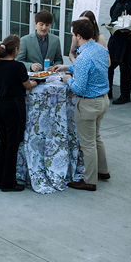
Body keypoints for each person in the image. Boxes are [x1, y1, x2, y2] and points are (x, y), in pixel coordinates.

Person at [55, 18, 111, 191]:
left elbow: (78, 87)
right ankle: (103, 171)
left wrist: (67, 79)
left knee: (88, 144)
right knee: (97, 137)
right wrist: (67, 68)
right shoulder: (100, 49)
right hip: (103, 100)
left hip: (88, 104)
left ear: (78, 36)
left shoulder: (82, 57)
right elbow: (92, 69)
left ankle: (90, 180)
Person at [0, 35, 35, 191]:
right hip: (14, 106)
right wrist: (36, 82)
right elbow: (27, 85)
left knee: (2, 143)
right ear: (16, 49)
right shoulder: (18, 67)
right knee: (12, 145)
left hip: (0, 105)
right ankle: (8, 182)